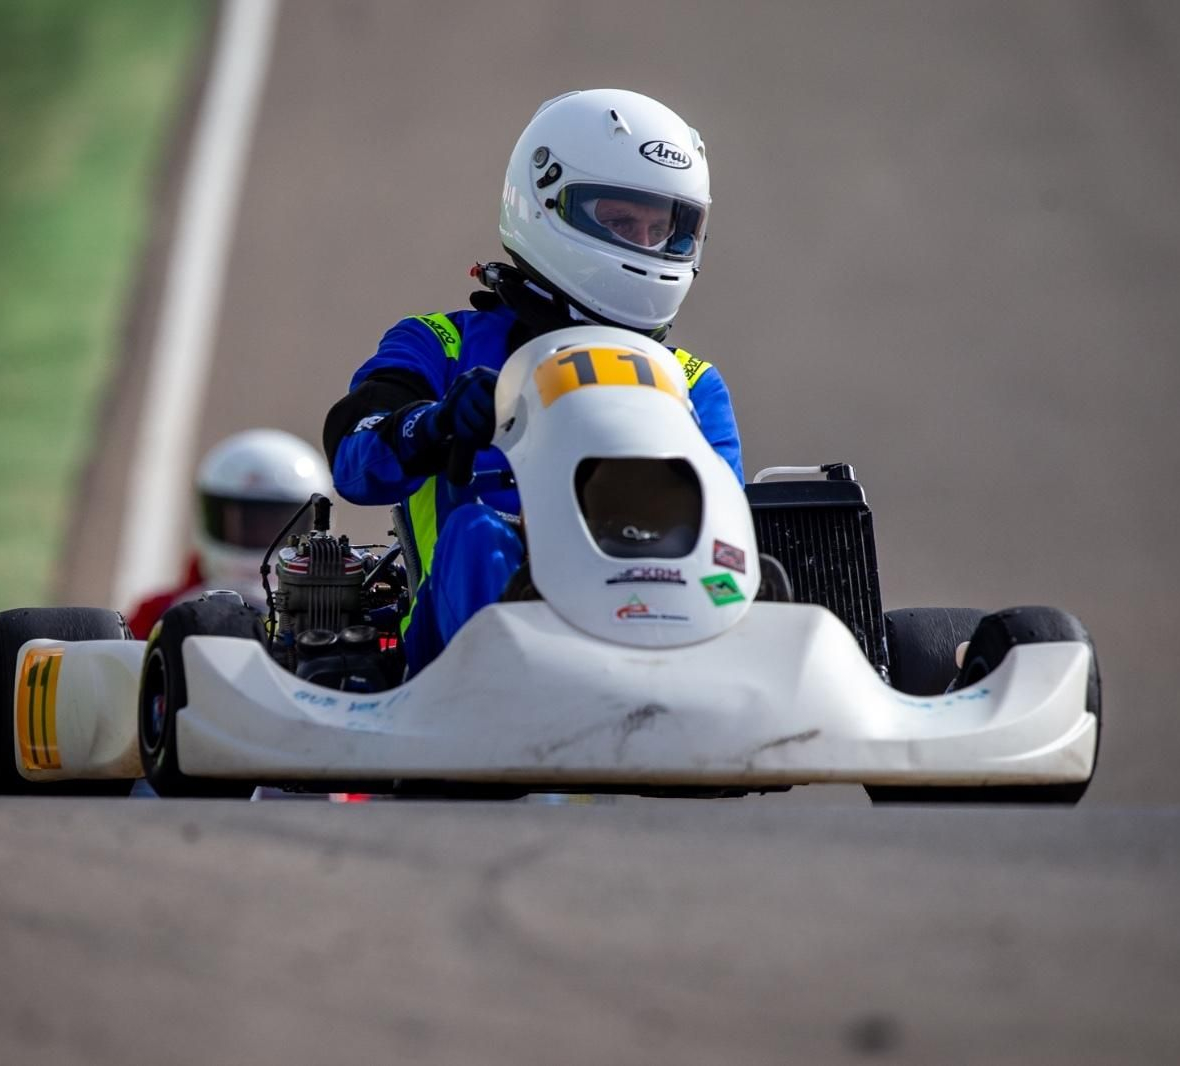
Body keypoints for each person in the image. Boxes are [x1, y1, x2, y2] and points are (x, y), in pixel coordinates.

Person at [323, 89, 742, 675]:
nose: (647, 247)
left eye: (664, 229)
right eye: (621, 221)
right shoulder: (440, 345)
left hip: (659, 613)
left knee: (762, 577)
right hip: (456, 653)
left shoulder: (692, 384)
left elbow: (724, 531)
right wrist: (435, 423)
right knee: (475, 536)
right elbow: (353, 458)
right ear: (546, 204)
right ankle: (504, 721)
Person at [125, 428, 330, 637]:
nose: (257, 532)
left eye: (275, 524)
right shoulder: (156, 613)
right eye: (246, 523)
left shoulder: (336, 615)